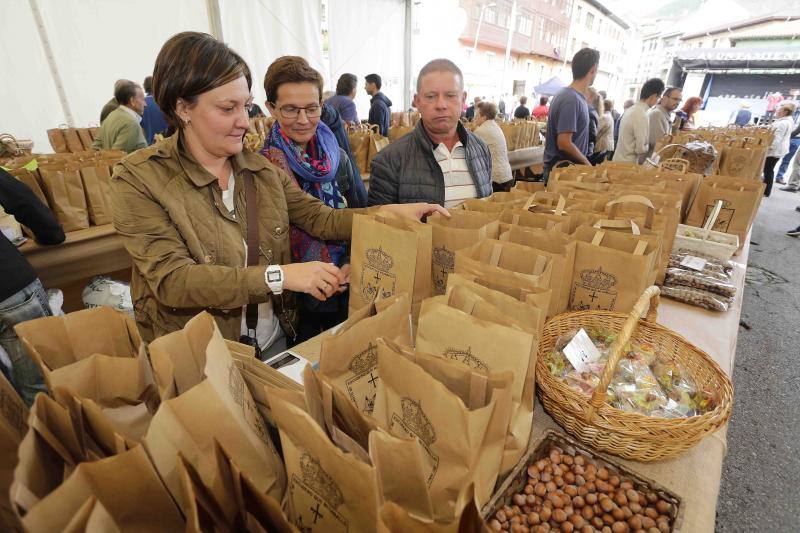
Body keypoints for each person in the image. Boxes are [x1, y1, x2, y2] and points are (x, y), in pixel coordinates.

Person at [109, 32, 445, 356]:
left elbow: (321, 219)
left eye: (247, 106)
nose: (244, 121)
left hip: (274, 343)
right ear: (183, 107)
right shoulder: (140, 179)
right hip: (201, 356)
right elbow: (174, 281)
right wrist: (282, 276)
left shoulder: (260, 171)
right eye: (228, 109)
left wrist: (392, 213)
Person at [260, 56, 365, 341]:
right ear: (271, 107)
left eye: (312, 108)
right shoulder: (264, 167)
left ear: (322, 105)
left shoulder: (338, 157)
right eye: (291, 110)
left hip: (345, 285)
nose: (304, 120)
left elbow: (359, 213)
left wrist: (350, 261)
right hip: (294, 299)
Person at [368, 58, 493, 208]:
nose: (441, 105)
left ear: (463, 99)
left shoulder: (481, 149)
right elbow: (380, 226)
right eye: (431, 97)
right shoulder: (388, 161)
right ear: (417, 102)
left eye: (450, 95)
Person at [0, 169, 65, 405]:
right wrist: (51, 234)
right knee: (44, 383)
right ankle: (62, 438)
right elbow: (20, 198)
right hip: (9, 287)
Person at [542, 47, 599, 183]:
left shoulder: (569, 96)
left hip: (564, 172)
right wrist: (588, 165)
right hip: (563, 174)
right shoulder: (571, 99)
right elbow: (564, 143)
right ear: (593, 69)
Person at [613, 78, 665, 164]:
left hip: (617, 158)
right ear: (653, 96)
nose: (658, 101)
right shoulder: (642, 115)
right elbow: (640, 149)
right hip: (627, 164)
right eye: (659, 97)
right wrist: (648, 145)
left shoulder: (631, 109)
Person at [91, 80, 147, 153]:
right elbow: (116, 156)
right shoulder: (131, 124)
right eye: (142, 99)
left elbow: (94, 148)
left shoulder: (110, 116)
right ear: (132, 101)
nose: (145, 104)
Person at [472, 101, 513, 191]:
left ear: (484, 117)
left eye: (477, 115)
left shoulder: (481, 131)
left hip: (496, 179)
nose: (475, 118)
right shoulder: (495, 126)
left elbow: (470, 151)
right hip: (506, 175)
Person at [763, 102, 796, 197]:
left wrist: (770, 147)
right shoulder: (785, 121)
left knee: (768, 169)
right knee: (768, 169)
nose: (777, 111)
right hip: (778, 149)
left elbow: (777, 138)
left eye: (779, 110)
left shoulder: (783, 123)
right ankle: (766, 190)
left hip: (775, 150)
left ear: (785, 112)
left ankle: (766, 191)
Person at [647, 86, 682, 159]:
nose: (678, 103)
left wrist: (675, 128)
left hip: (655, 161)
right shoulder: (657, 114)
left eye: (679, 100)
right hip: (649, 162)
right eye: (675, 99)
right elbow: (659, 144)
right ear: (665, 98)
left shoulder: (664, 114)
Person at [141, 76, 169, 145]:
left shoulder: (141, 103)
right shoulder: (165, 101)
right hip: (168, 142)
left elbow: (142, 129)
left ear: (144, 87)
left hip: (150, 145)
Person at [776, 117, 800, 187]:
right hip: (785, 137)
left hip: (795, 139)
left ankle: (779, 176)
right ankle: (766, 175)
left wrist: (788, 136)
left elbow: (798, 130)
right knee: (776, 156)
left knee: (787, 160)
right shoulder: (792, 113)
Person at [590, 93, 613, 164]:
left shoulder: (604, 117)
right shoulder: (610, 116)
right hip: (607, 146)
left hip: (601, 146)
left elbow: (597, 131)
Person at [587, 88, 600, 157]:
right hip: (588, 148)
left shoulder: (590, 112)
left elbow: (592, 135)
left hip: (586, 149)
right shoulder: (593, 111)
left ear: (589, 96)